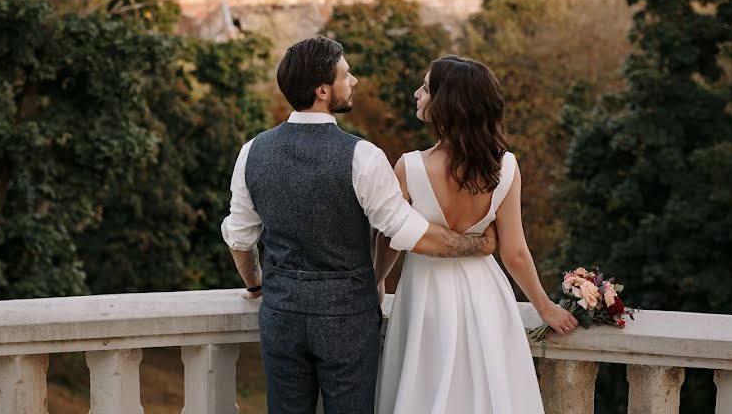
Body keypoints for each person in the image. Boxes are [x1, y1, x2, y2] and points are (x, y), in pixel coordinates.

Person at [221, 37, 498, 414]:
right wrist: (477, 245)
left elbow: (239, 239)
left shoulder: (252, 151)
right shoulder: (362, 156)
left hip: (281, 314)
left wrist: (255, 284)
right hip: (347, 319)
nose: (354, 82)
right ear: (322, 90)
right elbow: (407, 233)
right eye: (345, 75)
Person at [374, 55, 578, 414]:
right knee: (486, 393)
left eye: (425, 88)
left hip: (425, 298)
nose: (416, 94)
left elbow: (390, 239)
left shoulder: (409, 166)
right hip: (486, 294)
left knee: (424, 390)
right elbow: (514, 252)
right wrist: (544, 307)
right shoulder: (505, 165)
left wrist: (375, 280)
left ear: (445, 103)